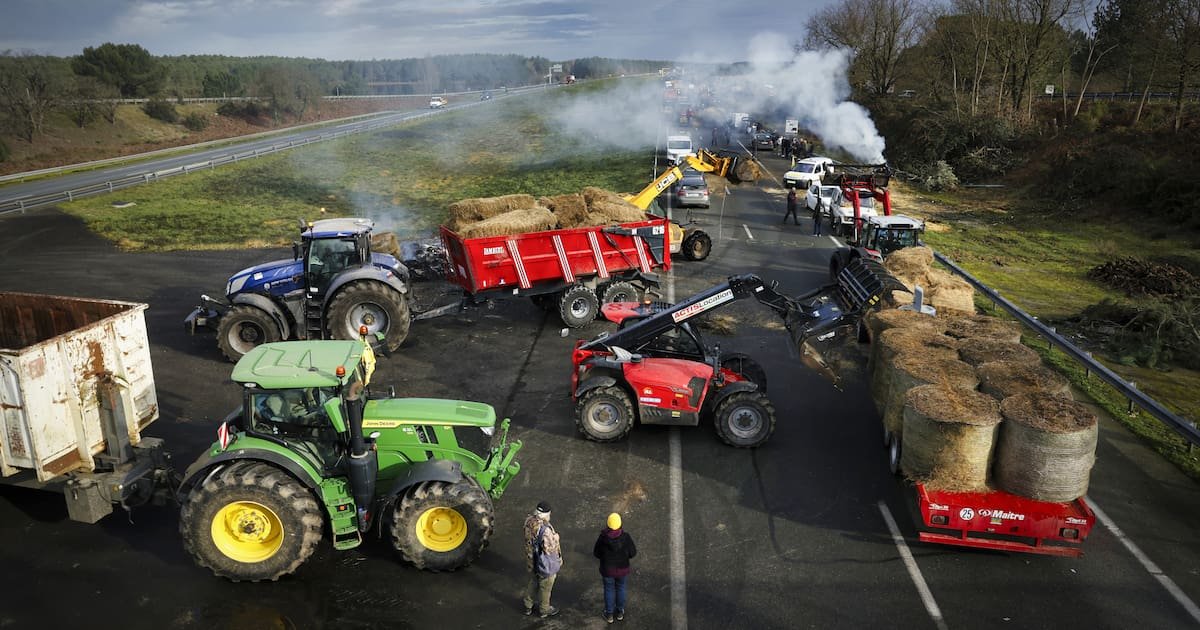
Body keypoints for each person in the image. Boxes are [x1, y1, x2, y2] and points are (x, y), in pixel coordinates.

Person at [593, 512, 637, 624]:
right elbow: (633, 553)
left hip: (607, 570)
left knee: (609, 590)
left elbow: (596, 553)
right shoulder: (626, 537)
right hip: (622, 569)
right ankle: (620, 612)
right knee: (621, 588)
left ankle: (609, 614)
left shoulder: (603, 538)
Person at [523, 501, 562, 618]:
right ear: (546, 514)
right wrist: (556, 538)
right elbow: (549, 549)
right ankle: (544, 609)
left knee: (533, 582)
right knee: (546, 587)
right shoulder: (545, 530)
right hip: (544, 564)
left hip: (532, 559)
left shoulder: (528, 521)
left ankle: (527, 605)